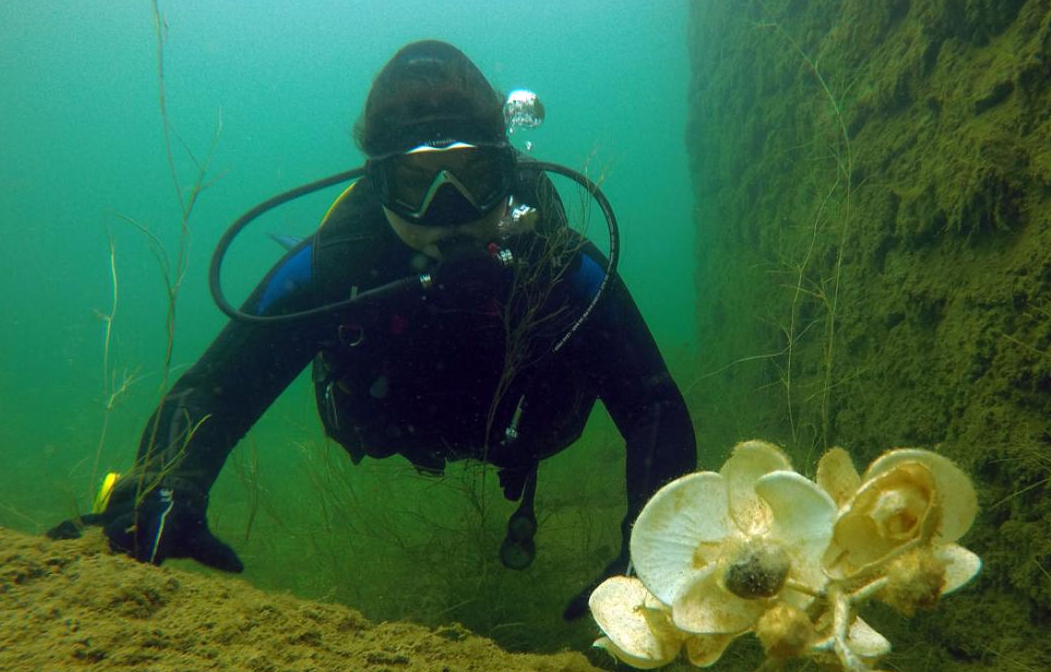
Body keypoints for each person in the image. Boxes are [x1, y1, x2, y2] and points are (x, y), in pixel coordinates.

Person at [49, 39, 696, 619]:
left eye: (473, 178)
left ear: (506, 172)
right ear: (376, 184)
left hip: (524, 433)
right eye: (416, 183)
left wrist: (650, 558)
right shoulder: (337, 263)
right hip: (394, 428)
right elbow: (213, 391)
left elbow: (653, 402)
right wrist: (168, 484)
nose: (448, 211)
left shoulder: (552, 261)